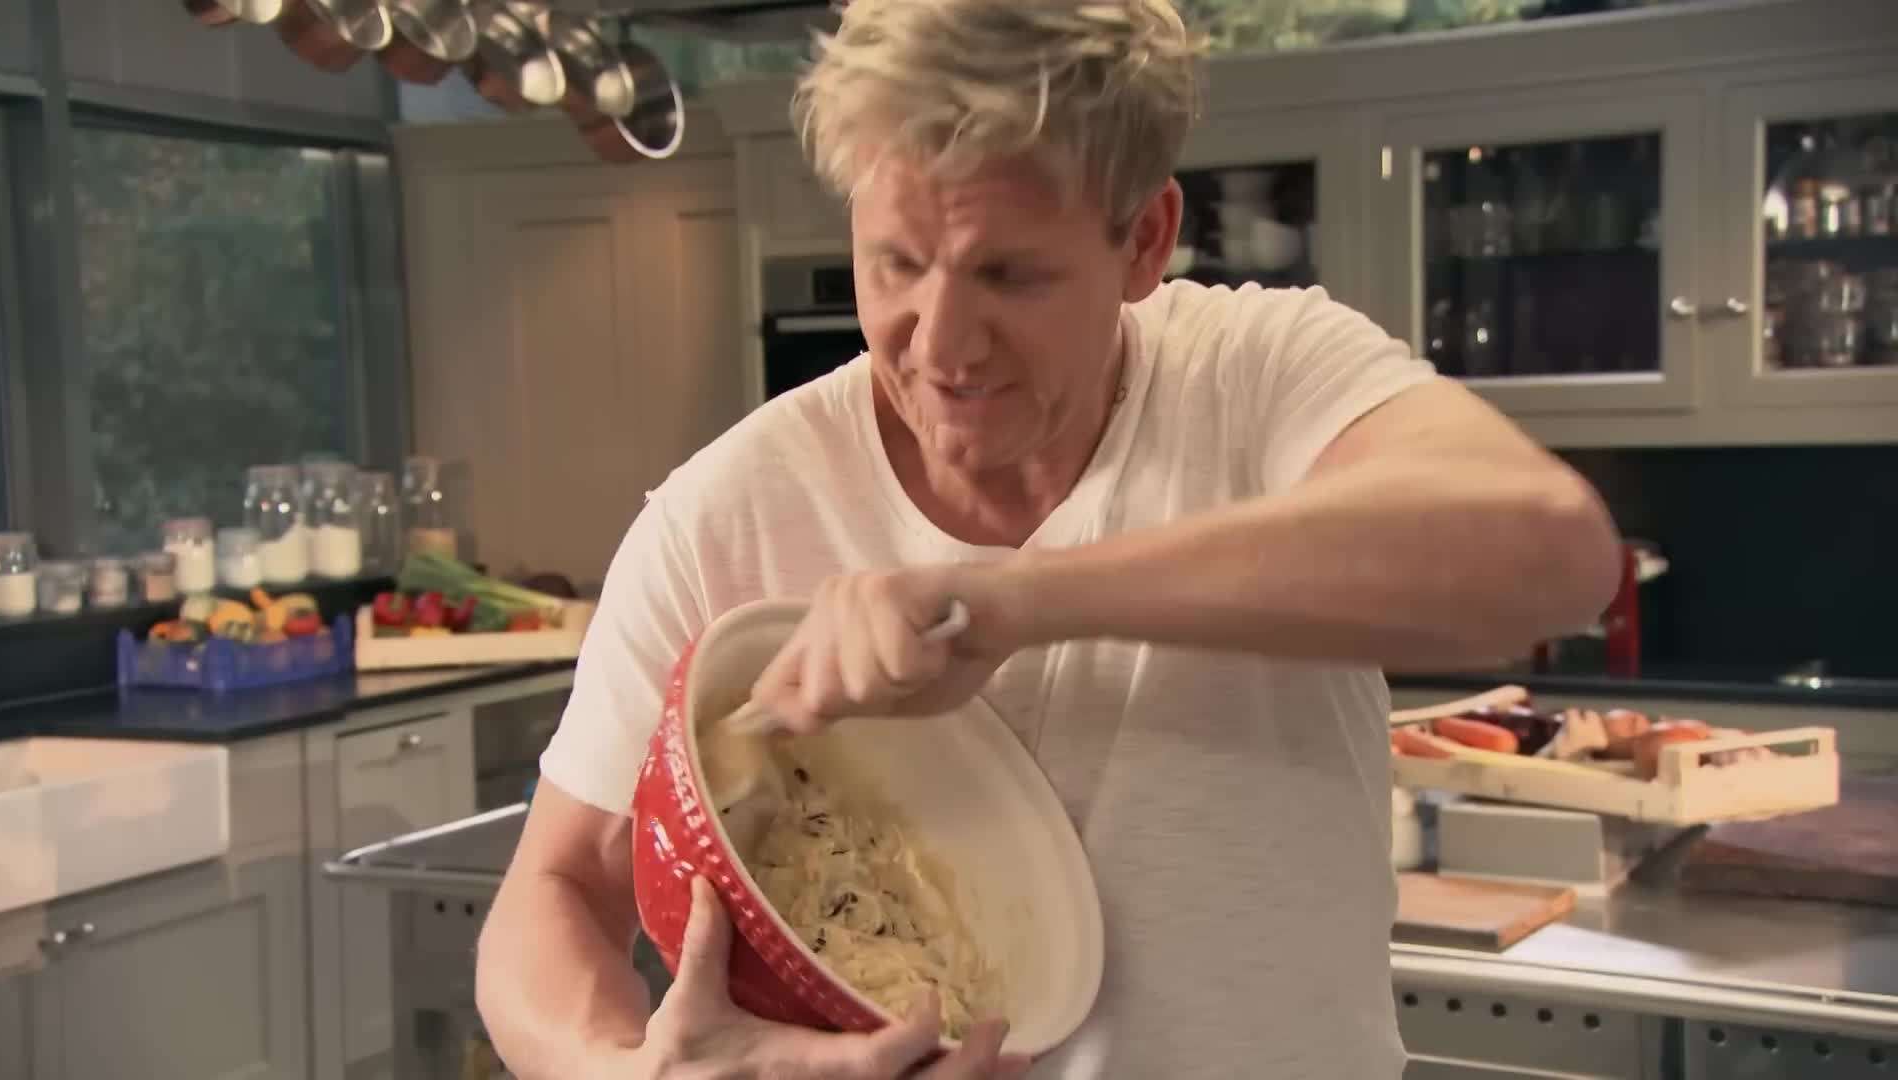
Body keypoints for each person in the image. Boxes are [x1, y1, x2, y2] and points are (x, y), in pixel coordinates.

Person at [475, 0, 1622, 1075]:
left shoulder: (1261, 377)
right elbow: (561, 888)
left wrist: (1017, 602)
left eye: (1009, 274)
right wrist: (621, 1071)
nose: (944, 345)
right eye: (897, 265)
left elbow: (1551, 555)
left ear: (1145, 240)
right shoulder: (725, 514)